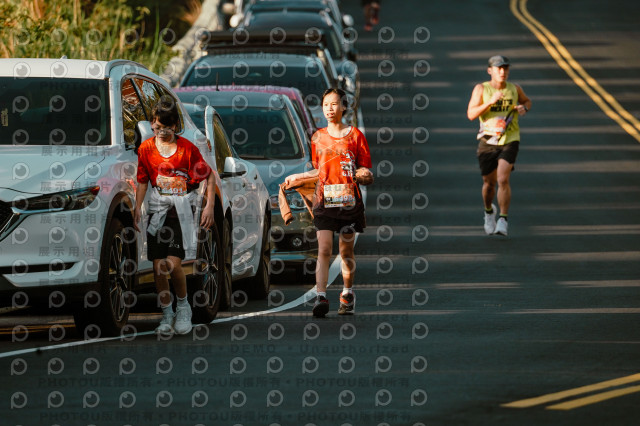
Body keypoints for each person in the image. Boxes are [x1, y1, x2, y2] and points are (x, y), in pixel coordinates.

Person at [285, 88, 373, 317]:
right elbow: (320, 170)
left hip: (349, 203)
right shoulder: (318, 137)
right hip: (324, 201)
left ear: (344, 107)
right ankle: (321, 296)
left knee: (345, 252)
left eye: (334, 104)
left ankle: (347, 293)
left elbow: (365, 169)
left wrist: (364, 174)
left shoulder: (356, 136)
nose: (329, 109)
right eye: (325, 105)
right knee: (324, 249)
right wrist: (298, 178)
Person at [133, 99, 215, 335]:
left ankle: (183, 307)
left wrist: (209, 206)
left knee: (172, 263)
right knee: (158, 265)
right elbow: (142, 181)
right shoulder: (146, 149)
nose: (162, 133)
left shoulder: (187, 149)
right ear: (152, 124)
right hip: (158, 209)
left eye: (167, 128)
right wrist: (137, 208)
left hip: (180, 211)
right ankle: (167, 313)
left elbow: (209, 176)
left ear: (175, 126)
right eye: (158, 127)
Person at [467, 55, 531, 236]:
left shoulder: (514, 88)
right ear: (490, 71)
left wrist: (524, 108)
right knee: (489, 184)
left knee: (503, 179)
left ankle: (503, 219)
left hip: (510, 139)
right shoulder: (481, 89)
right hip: (488, 141)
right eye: (498, 68)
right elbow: (471, 114)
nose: (503, 72)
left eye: (505, 68)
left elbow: (527, 101)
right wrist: (490, 102)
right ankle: (489, 212)